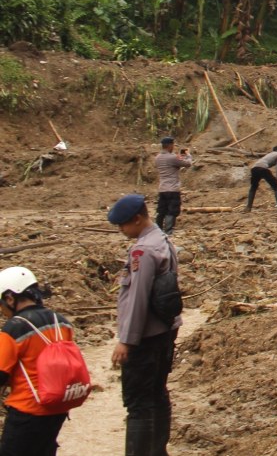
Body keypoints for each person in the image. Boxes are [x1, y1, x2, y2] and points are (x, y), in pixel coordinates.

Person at [108, 194, 181, 456]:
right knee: (158, 393)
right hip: (165, 330)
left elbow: (137, 297)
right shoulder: (162, 239)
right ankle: (158, 450)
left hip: (146, 337)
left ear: (137, 219)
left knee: (138, 403)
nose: (121, 230)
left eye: (123, 225)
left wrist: (126, 340)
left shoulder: (143, 250)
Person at [0, 266, 74, 456]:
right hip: (57, 407)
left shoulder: (14, 328)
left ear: (10, 298)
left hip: (27, 410)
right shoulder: (62, 322)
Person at [155, 136, 192, 235]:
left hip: (162, 188)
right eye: (173, 145)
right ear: (170, 145)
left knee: (161, 210)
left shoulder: (158, 157)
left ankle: (158, 231)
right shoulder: (172, 157)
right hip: (172, 189)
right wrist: (188, 155)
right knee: (172, 210)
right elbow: (188, 164)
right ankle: (168, 231)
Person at [243, 146, 277, 213]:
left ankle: (248, 208)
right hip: (263, 168)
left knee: (253, 187)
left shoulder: (269, 154)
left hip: (254, 169)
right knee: (276, 187)